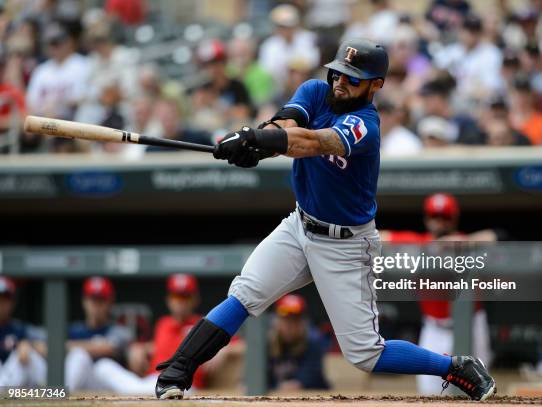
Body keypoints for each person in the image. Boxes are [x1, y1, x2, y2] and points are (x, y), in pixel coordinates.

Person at [155, 38, 496, 401]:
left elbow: (313, 142)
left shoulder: (366, 124)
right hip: (299, 225)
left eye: (353, 78)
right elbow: (287, 123)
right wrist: (254, 143)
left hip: (346, 244)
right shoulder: (315, 91)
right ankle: (177, 371)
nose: (340, 82)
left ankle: (454, 367)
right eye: (339, 73)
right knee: (244, 294)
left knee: (365, 354)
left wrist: (259, 138)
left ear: (375, 84)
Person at [381, 193, 496, 395]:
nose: (439, 222)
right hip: (435, 328)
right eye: (435, 216)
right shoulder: (418, 242)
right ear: (426, 218)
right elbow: (378, 236)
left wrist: (464, 242)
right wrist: (424, 248)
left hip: (471, 325)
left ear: (454, 219)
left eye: (445, 217)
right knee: (430, 393)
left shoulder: (463, 242)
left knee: (480, 387)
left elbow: (496, 236)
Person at [90, 273, 243, 395]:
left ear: (195, 299)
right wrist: (139, 348)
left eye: (185, 296)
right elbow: (159, 346)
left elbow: (244, 345)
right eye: (176, 296)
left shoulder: (205, 323)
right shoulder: (163, 323)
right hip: (152, 380)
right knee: (102, 366)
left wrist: (224, 349)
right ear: (168, 299)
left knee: (122, 383)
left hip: (184, 384)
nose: (180, 302)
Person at [268, 294, 329, 391]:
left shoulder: (313, 341)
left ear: (303, 322)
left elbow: (304, 382)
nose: (290, 326)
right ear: (277, 320)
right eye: (286, 319)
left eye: (295, 320)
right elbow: (257, 379)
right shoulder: (267, 343)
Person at [0, 277, 46, 387]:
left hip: (13, 379)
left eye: (4, 299)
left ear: (12, 302)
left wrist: (27, 345)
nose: (1, 304)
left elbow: (47, 347)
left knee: (27, 354)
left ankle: (49, 394)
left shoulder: (20, 329)